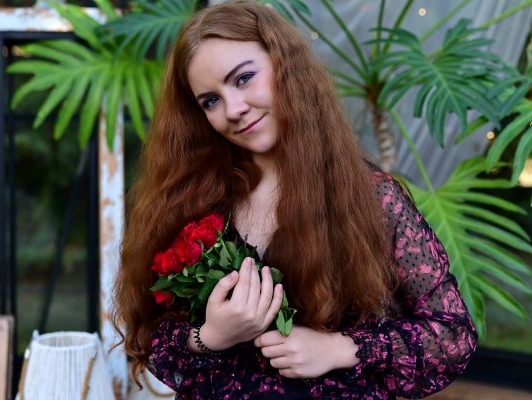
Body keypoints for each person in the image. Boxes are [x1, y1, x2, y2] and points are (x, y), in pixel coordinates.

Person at [113, 1, 477, 398]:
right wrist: (210, 336)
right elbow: (151, 338)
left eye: (244, 78)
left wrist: (341, 348)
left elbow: (451, 337)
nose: (233, 109)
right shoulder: (195, 198)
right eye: (210, 101)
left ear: (286, 66)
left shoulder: (371, 198)